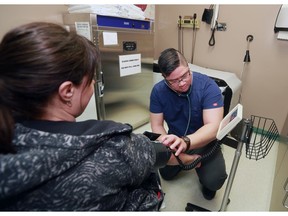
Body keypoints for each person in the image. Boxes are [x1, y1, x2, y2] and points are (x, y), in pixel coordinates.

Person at [0, 23, 199, 211]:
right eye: (90, 77)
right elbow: (160, 154)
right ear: (67, 91)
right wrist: (194, 160)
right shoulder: (112, 146)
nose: (94, 80)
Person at [149, 48, 228, 200]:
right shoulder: (158, 92)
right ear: (164, 78)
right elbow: (157, 126)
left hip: (204, 142)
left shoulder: (208, 86)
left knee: (214, 181)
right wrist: (168, 144)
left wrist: (186, 142)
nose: (182, 82)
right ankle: (190, 161)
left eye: (185, 75)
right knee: (166, 174)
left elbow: (213, 126)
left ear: (188, 67)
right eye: (174, 81)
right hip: (175, 141)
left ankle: (202, 170)